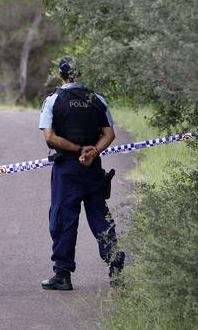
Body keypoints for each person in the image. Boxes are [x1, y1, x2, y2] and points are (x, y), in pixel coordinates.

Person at [38, 56, 125, 290]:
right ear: (81, 74)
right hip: (92, 168)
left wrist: (78, 150)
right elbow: (110, 134)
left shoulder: (54, 100)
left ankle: (63, 275)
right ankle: (116, 269)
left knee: (64, 219)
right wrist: (92, 151)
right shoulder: (96, 99)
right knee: (100, 218)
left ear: (60, 75)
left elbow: (50, 137)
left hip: (67, 168)